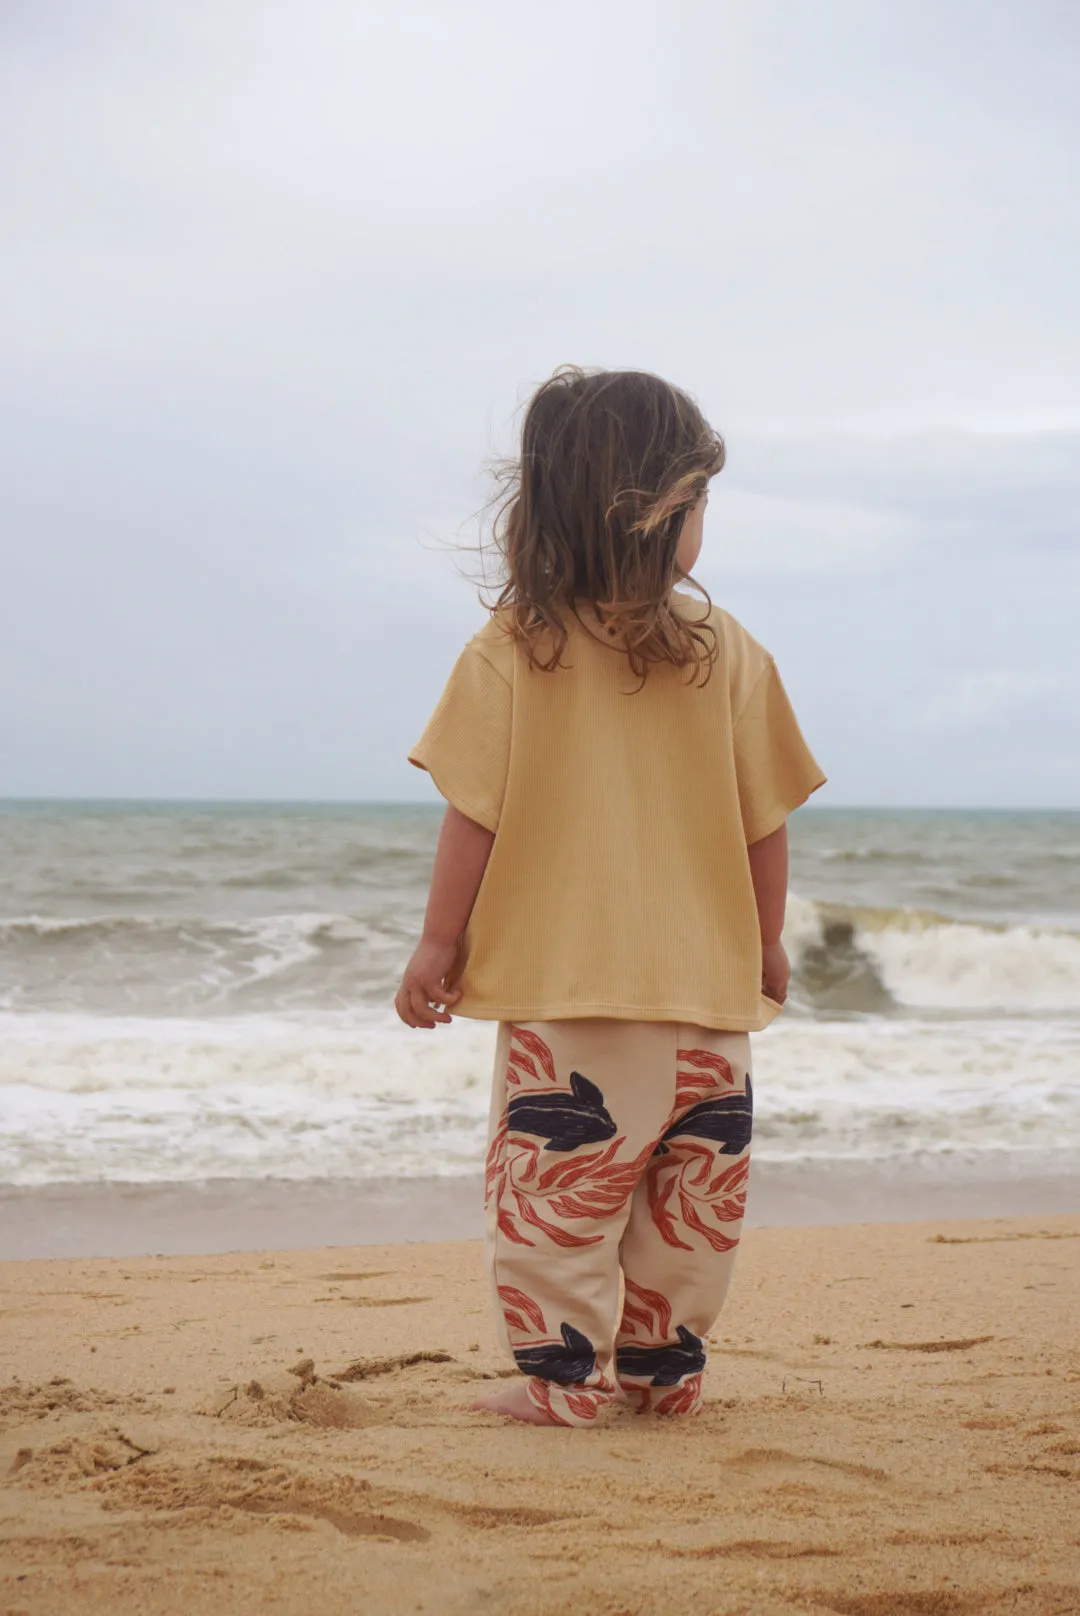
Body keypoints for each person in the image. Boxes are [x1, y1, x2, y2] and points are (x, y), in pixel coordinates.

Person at [395, 366, 825, 1426]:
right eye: (701, 505)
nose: (704, 527)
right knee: (692, 1205)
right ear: (661, 510)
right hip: (709, 1005)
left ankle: (565, 1383)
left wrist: (435, 945)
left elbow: (474, 816)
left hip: (574, 1000)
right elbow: (763, 820)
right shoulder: (730, 653)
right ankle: (663, 1374)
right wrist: (764, 945)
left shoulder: (513, 650)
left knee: (557, 1204)